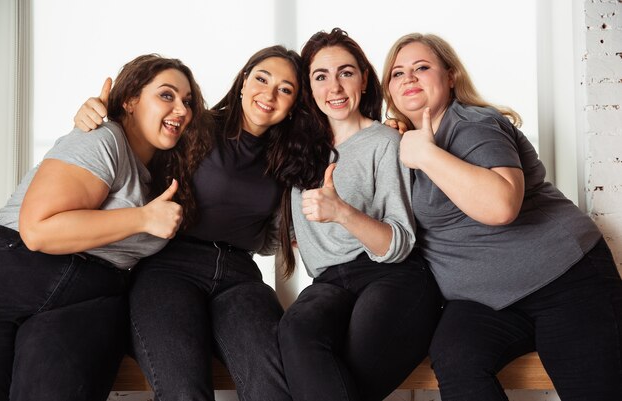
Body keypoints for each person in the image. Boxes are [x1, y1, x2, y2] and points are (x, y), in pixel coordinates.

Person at [382, 32, 622, 401]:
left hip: (564, 280)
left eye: (421, 67)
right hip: (485, 302)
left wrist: (428, 155)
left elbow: (501, 206)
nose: (408, 78)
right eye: (397, 74)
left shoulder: (473, 124)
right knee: (455, 359)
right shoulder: (401, 147)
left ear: (450, 76)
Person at [74, 45, 302, 401]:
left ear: (293, 104)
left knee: (272, 383)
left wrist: (393, 124)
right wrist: (97, 115)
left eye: (285, 89)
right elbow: (135, 140)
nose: (269, 94)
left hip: (239, 275)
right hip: (169, 268)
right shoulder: (192, 126)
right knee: (184, 391)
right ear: (243, 82)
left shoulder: (289, 157)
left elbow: (271, 238)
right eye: (262, 78)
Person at [0, 54, 204, 401]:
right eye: (167, 95)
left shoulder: (165, 173)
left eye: (188, 101)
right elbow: (38, 231)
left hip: (90, 298)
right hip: (20, 271)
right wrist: (143, 219)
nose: (181, 109)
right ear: (130, 100)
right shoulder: (103, 138)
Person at [276, 28, 442, 401]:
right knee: (295, 331)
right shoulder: (295, 150)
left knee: (350, 360)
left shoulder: (386, 141)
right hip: (329, 283)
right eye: (321, 76)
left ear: (364, 79)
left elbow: (398, 244)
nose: (334, 87)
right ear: (308, 87)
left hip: (392, 277)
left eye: (346, 72)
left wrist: (342, 213)